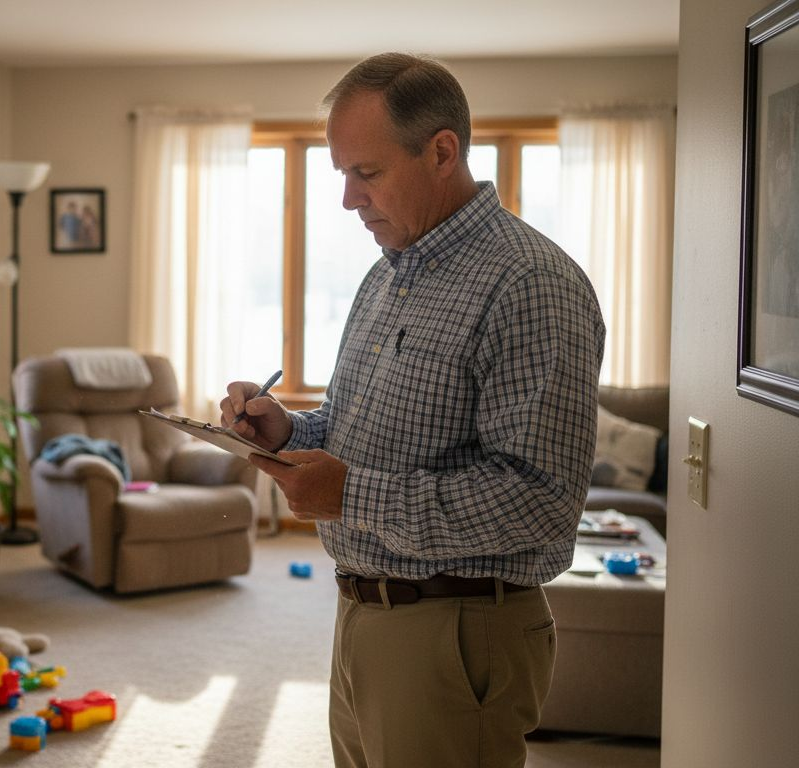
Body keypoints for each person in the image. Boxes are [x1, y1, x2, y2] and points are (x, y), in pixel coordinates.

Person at [221, 53, 604, 768]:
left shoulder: (532, 284)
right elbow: (352, 428)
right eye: (340, 174)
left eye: (365, 173)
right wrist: (288, 428)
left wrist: (347, 494)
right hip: (362, 613)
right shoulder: (384, 275)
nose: (346, 200)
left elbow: (540, 501)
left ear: (442, 152)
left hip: (455, 630)